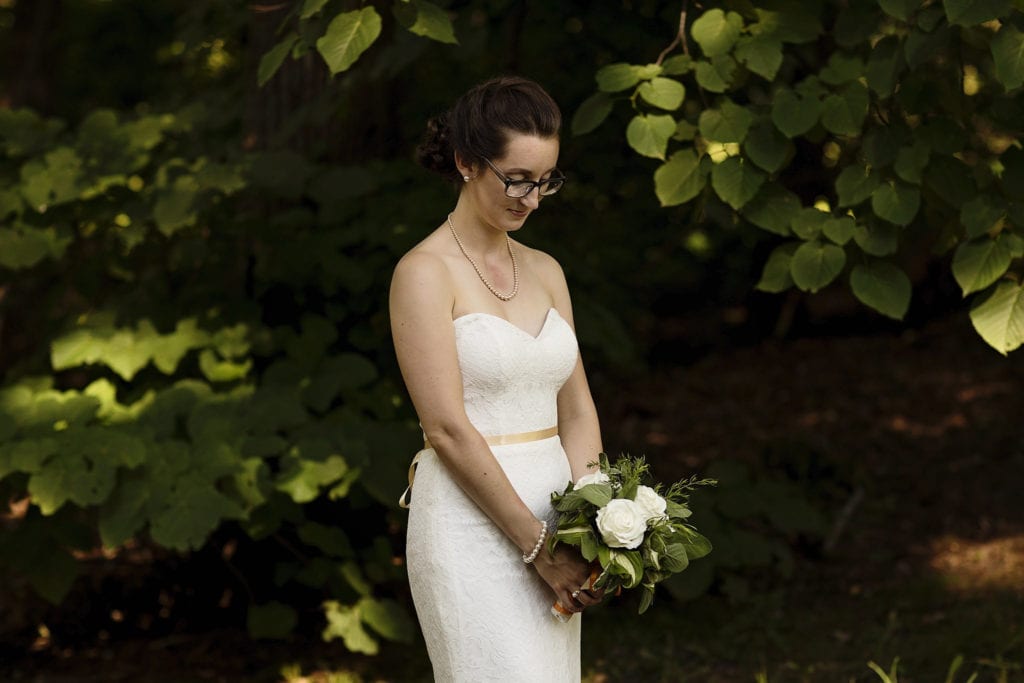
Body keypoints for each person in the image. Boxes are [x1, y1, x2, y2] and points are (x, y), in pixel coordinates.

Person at [389, 75, 605, 682]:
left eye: (546, 182)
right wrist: (539, 549)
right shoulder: (424, 273)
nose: (532, 199)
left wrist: (595, 526)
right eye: (517, 179)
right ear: (465, 162)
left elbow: (578, 409)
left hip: (558, 519)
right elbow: (447, 427)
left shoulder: (547, 271)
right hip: (471, 525)